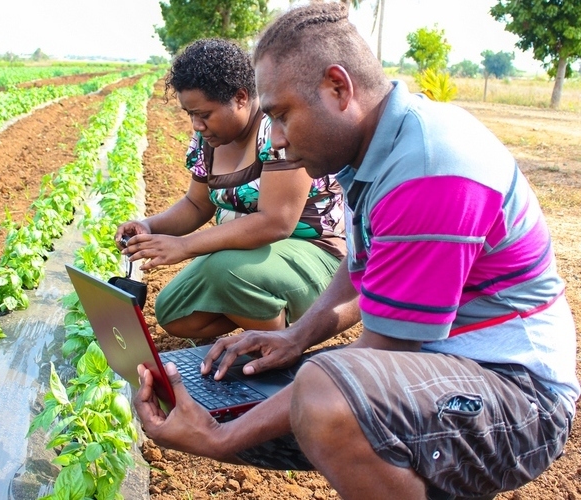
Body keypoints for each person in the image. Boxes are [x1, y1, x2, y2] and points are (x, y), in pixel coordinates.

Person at [133, 4, 579, 500]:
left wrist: (219, 439)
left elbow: (387, 350)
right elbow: (359, 263)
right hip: (442, 368)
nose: (274, 139)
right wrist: (296, 338)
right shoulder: (368, 151)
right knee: (223, 384)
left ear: (338, 88)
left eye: (281, 115)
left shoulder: (430, 170)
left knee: (323, 396)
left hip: (519, 398)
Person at [116, 38, 345, 339]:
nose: (197, 125)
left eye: (205, 114)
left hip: (316, 255)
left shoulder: (276, 130)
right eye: (191, 114)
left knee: (222, 269)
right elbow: (197, 205)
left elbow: (276, 222)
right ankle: (258, 312)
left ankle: (281, 345)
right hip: (250, 261)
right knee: (174, 310)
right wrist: (148, 225)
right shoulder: (206, 141)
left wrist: (185, 246)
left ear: (240, 98)